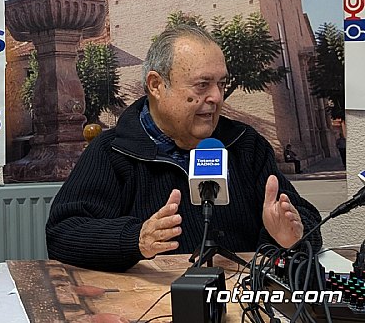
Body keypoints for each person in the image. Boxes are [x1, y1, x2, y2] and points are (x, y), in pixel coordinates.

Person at [46, 25, 322, 272]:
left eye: (221, 84)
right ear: (156, 85)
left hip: (244, 299)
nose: (216, 97)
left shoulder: (245, 144)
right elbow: (62, 234)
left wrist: (289, 237)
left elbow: (305, 217)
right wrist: (136, 239)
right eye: (203, 85)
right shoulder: (112, 151)